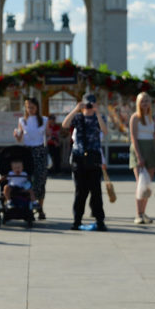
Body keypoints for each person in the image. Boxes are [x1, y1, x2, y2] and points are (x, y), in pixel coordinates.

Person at [62, 93, 107, 231]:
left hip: (94, 156)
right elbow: (65, 124)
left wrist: (98, 113)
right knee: (80, 191)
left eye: (91, 104)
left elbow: (105, 131)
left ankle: (100, 221)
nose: (89, 107)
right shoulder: (78, 117)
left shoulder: (100, 117)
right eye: (87, 104)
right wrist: (76, 109)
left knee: (96, 191)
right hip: (79, 156)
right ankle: (77, 220)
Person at [13, 97, 49, 219]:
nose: (30, 110)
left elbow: (47, 136)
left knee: (41, 180)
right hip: (27, 151)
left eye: (32, 107)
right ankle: (28, 206)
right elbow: (19, 137)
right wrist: (17, 135)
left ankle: (40, 207)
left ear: (37, 107)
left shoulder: (43, 120)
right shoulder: (22, 120)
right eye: (28, 107)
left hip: (40, 150)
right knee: (28, 180)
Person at [129, 92, 155, 225]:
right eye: (142, 101)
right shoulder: (135, 118)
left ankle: (144, 212)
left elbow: (154, 137)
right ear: (138, 103)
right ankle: (138, 214)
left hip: (151, 150)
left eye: (147, 101)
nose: (145, 103)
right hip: (139, 150)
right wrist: (139, 156)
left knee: (147, 185)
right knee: (140, 183)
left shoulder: (152, 118)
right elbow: (133, 138)